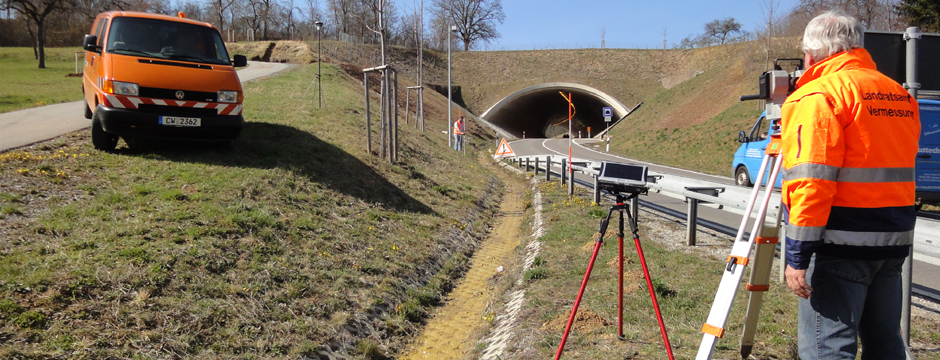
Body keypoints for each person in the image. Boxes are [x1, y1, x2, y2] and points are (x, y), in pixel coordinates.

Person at [781, 10, 920, 359]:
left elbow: (811, 182)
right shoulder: (899, 95)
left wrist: (797, 256)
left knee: (828, 349)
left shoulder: (818, 95)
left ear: (812, 53)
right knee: (886, 344)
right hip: (892, 242)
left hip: (839, 243)